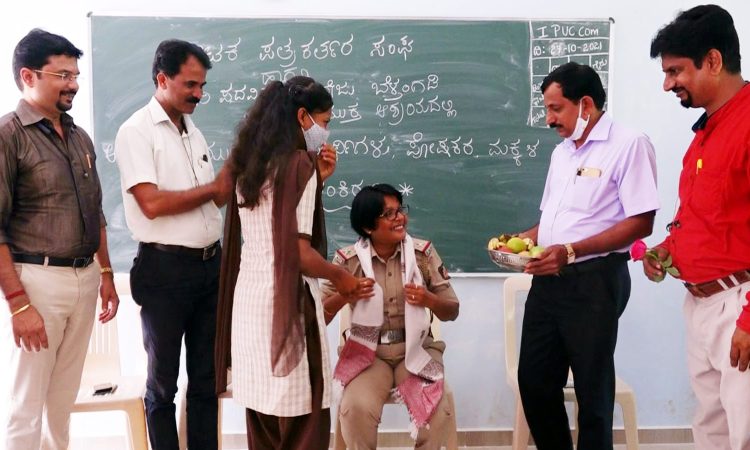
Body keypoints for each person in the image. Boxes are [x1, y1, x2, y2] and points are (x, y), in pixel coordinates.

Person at [516, 62, 659, 450]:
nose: (549, 119)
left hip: (595, 280)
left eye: (555, 108)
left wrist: (572, 251)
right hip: (548, 279)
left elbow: (641, 221)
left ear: (586, 104)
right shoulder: (562, 153)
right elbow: (552, 220)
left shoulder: (629, 144)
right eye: (547, 109)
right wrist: (521, 239)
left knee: (592, 390)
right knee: (534, 380)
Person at [216, 76, 360, 449]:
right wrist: (340, 277)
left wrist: (318, 181)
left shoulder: (249, 166)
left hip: (250, 306)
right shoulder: (300, 165)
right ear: (302, 116)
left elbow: (273, 225)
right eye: (324, 121)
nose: (325, 132)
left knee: (263, 416)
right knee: (304, 417)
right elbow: (297, 254)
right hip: (287, 305)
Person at [0, 29, 119, 449]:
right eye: (63, 75)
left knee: (61, 401)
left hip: (84, 279)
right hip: (37, 282)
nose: (73, 84)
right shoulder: (8, 135)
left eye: (75, 75)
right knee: (26, 403)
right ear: (28, 76)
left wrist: (106, 274)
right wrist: (19, 304)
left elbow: (95, 211)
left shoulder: (79, 136)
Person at [114, 39, 231, 450]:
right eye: (190, 85)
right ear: (162, 79)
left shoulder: (192, 132)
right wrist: (214, 189)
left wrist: (234, 178)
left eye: (202, 86)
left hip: (209, 267)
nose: (199, 94)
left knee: (206, 381)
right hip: (165, 271)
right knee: (163, 385)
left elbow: (212, 197)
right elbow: (151, 204)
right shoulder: (136, 131)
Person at [646, 5, 750, 449]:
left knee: (744, 432)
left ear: (712, 60)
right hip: (701, 304)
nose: (668, 84)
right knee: (711, 431)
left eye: (675, 71)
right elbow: (708, 216)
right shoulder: (706, 133)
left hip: (739, 305)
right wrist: (669, 248)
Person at [321, 183, 459, 450]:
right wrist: (346, 295)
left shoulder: (422, 254)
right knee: (354, 408)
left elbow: (452, 310)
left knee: (436, 409)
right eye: (389, 214)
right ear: (368, 227)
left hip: (418, 350)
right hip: (368, 354)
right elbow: (320, 316)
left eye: (400, 210)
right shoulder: (347, 262)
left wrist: (428, 300)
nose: (400, 218)